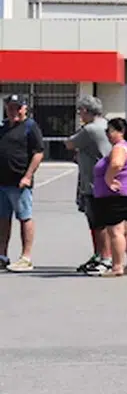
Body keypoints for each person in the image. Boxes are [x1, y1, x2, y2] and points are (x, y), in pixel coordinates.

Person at [93, 118, 127, 277]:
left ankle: (117, 266)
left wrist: (108, 179)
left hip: (117, 195)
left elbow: (116, 164)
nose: (107, 135)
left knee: (116, 231)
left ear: (120, 132)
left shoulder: (119, 147)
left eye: (109, 131)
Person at [70, 96, 112, 275]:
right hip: (103, 180)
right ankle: (99, 255)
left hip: (94, 183)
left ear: (87, 111)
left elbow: (70, 143)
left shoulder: (91, 129)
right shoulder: (106, 125)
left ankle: (105, 257)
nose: (79, 114)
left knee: (98, 223)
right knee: (99, 222)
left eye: (80, 111)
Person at [1, 95, 43, 273]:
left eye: (17, 108)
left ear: (25, 108)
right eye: (10, 107)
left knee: (24, 217)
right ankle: (2, 255)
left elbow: (38, 152)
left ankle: (26, 257)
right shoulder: (3, 127)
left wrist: (28, 176)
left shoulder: (30, 126)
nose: (14, 111)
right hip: (2, 182)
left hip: (19, 182)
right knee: (3, 219)